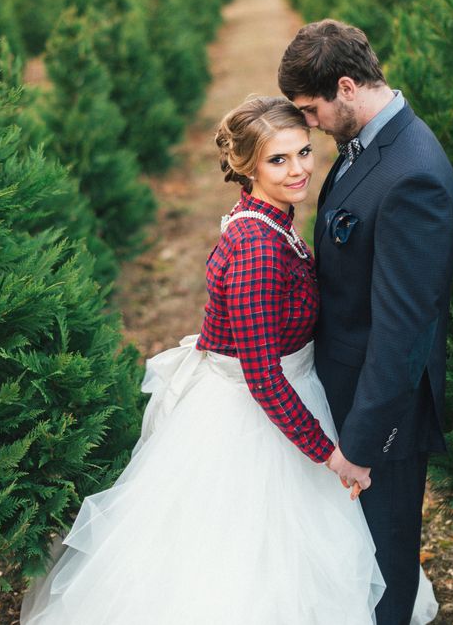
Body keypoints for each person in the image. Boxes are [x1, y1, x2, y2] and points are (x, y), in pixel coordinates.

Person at [22, 96, 396, 625]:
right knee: (241, 566)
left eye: (304, 152)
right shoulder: (255, 249)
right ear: (246, 167)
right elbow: (262, 377)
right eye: (278, 160)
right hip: (252, 419)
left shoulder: (270, 219)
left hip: (285, 395)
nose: (299, 170)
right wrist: (331, 455)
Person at [278, 20, 453, 625]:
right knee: (352, 562)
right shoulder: (369, 145)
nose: (308, 124)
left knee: (384, 571)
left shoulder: (414, 176)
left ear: (347, 87)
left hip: (380, 418)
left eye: (310, 110)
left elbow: (404, 332)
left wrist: (361, 447)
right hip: (346, 393)